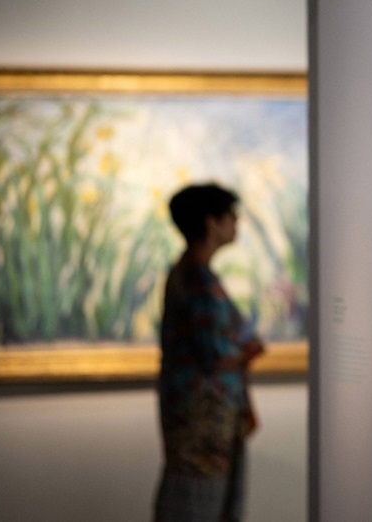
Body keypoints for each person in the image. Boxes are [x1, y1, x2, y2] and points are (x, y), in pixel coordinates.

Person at [154, 183, 265, 522]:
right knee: (196, 508)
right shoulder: (196, 279)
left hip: (210, 425)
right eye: (230, 215)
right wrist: (248, 349)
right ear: (210, 222)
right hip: (200, 428)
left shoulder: (197, 275)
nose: (236, 223)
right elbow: (216, 353)